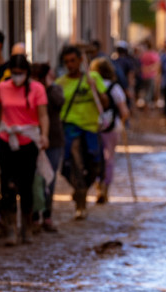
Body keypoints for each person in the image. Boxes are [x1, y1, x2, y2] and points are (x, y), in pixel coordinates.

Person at [0, 54, 49, 245]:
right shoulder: (2, 87)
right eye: (15, 73)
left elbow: (43, 115)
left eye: (21, 73)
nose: (18, 77)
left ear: (27, 73)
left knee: (26, 185)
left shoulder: (37, 89)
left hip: (28, 141)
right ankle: (10, 228)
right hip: (5, 139)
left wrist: (44, 135)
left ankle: (26, 227)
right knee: (7, 184)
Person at [55, 45, 108, 220]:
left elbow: (106, 103)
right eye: (66, 62)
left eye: (73, 61)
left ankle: (82, 189)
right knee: (75, 161)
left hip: (91, 128)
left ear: (80, 60)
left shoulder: (93, 77)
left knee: (95, 164)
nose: (70, 65)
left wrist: (96, 90)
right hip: (71, 127)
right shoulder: (60, 83)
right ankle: (80, 198)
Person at [90, 58, 129, 204]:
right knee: (109, 157)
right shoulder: (115, 88)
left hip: (92, 125)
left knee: (94, 155)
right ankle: (105, 184)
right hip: (112, 127)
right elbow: (124, 111)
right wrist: (123, 122)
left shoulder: (91, 86)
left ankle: (97, 183)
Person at [30, 63, 64, 232]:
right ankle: (36, 216)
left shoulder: (54, 91)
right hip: (31, 139)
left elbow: (60, 103)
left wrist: (48, 86)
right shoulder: (27, 91)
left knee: (49, 179)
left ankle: (47, 215)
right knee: (35, 180)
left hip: (53, 141)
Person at [139, 40, 160, 108]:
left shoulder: (143, 54)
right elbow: (157, 65)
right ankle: (147, 106)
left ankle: (146, 105)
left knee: (145, 91)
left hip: (143, 75)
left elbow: (140, 65)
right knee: (150, 92)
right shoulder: (153, 54)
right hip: (151, 75)